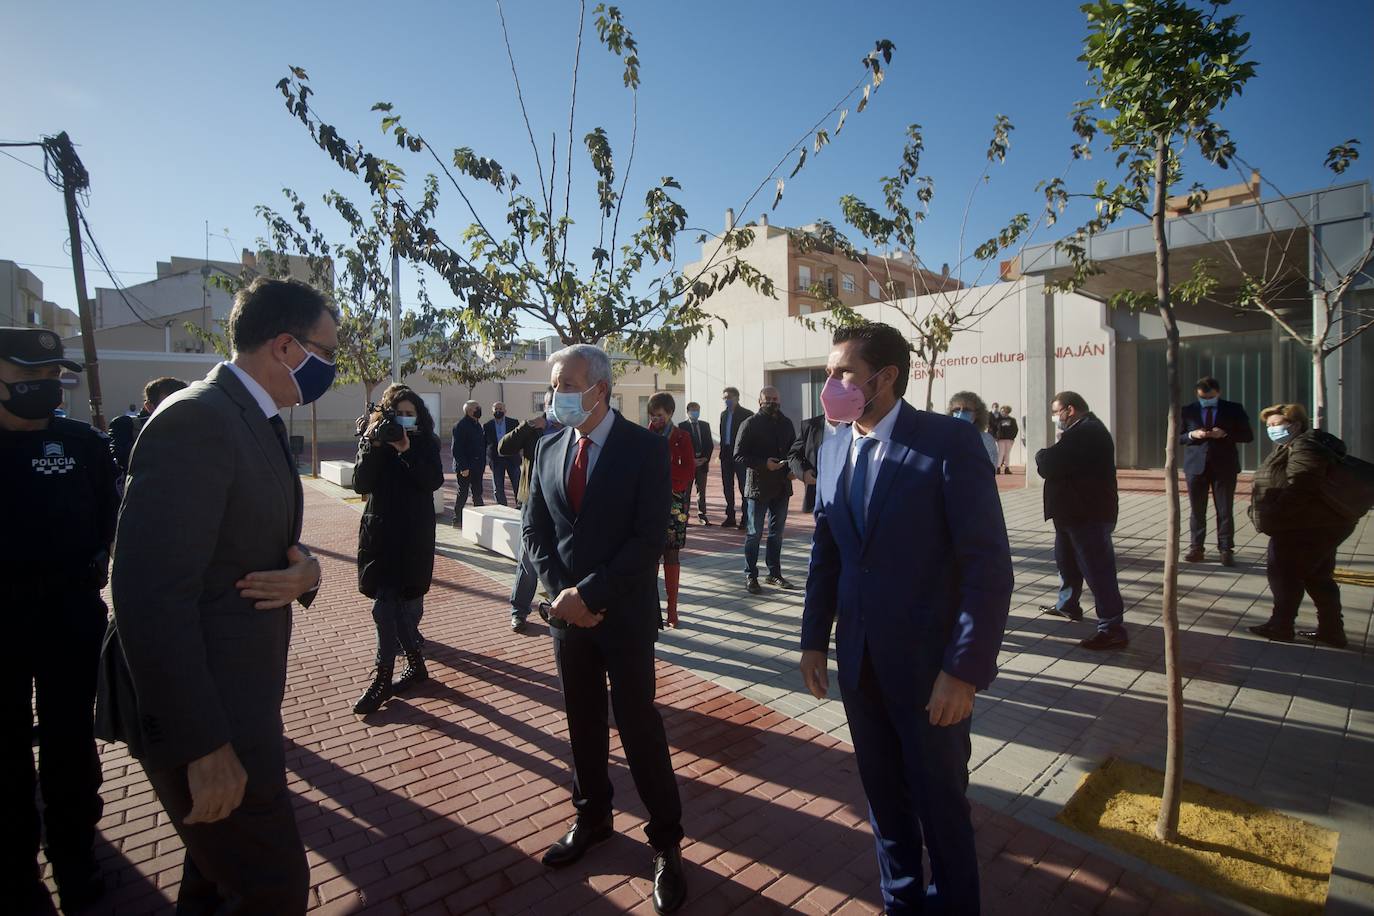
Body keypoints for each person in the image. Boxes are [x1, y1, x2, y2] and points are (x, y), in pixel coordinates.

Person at [99, 277, 335, 915]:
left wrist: (306, 574)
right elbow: (147, 595)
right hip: (209, 720)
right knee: (274, 888)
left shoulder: (253, 419)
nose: (332, 370)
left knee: (214, 881)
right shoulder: (199, 420)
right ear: (286, 347)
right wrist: (203, 748)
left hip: (243, 701)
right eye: (326, 352)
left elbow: (264, 546)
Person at [800, 321, 1013, 914]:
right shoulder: (835, 440)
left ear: (885, 376)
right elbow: (829, 548)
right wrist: (814, 639)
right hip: (860, 665)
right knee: (885, 807)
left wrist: (964, 671)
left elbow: (987, 566)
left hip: (931, 677)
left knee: (941, 812)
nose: (830, 384)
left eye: (842, 372)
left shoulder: (948, 442)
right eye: (829, 372)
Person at [523, 344, 686, 914]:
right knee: (581, 723)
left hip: (624, 616)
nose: (555, 395)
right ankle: (592, 818)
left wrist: (589, 595)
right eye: (552, 385)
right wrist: (562, 598)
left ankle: (666, 841)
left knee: (639, 726)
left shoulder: (645, 449)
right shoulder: (547, 447)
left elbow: (648, 540)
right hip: (569, 622)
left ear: (600, 389)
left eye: (566, 384)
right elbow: (535, 533)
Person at [1, 328, 119, 913]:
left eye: (51, 376)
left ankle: (75, 855)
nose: (45, 386)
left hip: (70, 614)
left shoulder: (83, 446)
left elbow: (107, 518)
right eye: (30, 375)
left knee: (71, 744)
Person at [351, 385, 445, 714]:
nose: (403, 420)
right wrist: (373, 443)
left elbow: (432, 481)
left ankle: (382, 679)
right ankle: (414, 665)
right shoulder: (375, 441)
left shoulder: (425, 443)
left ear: (419, 416)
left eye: (410, 414)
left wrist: (405, 448)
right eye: (398, 414)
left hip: (413, 537)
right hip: (381, 535)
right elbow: (360, 484)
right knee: (390, 607)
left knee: (392, 608)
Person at [1247, 403, 1356, 647]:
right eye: (1268, 425)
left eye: (1277, 424)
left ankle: (1281, 625)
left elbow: (1302, 486)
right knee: (1317, 576)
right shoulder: (1291, 445)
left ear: (1295, 424)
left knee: (1285, 575)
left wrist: (1276, 514)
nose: (1272, 429)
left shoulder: (1305, 446)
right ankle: (1332, 630)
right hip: (1319, 523)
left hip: (1304, 526)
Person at [1036, 391, 1128, 650]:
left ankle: (1112, 627)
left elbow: (1049, 464)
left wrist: (1042, 454)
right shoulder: (1080, 431)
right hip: (1072, 513)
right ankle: (1068, 604)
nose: (1056, 417)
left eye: (1056, 412)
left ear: (1070, 410)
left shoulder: (1086, 432)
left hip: (1087, 514)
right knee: (1067, 563)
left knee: (1097, 570)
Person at [499, 387, 562, 632]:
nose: (552, 408)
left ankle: (556, 608)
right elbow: (503, 448)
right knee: (528, 561)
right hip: (532, 504)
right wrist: (527, 425)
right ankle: (519, 611)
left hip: (561, 506)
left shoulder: (573, 431)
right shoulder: (534, 430)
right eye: (549, 403)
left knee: (558, 559)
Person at [1181, 376, 1253, 567]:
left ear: (1218, 393)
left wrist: (1225, 434)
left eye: (1210, 397)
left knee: (1225, 509)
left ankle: (1225, 549)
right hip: (1196, 466)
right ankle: (1196, 548)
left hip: (1224, 466)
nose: (1206, 401)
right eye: (1202, 397)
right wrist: (1192, 434)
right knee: (1197, 510)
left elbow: (1248, 435)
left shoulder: (1233, 409)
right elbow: (1177, 436)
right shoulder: (1188, 410)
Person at [734, 386, 797, 595]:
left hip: (781, 487)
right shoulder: (749, 424)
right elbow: (739, 455)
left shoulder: (787, 424)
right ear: (760, 401)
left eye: (775, 398)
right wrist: (764, 464)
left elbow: (795, 452)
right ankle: (750, 575)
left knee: (776, 534)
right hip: (758, 487)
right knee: (754, 533)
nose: (772, 402)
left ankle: (774, 573)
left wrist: (793, 469)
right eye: (768, 399)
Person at [649, 392, 697, 628]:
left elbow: (688, 471)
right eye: (652, 415)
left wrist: (663, 476)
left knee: (671, 553)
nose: (655, 419)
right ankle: (651, 609)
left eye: (659, 415)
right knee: (649, 555)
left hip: (674, 503)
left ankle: (673, 610)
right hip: (648, 502)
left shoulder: (682, 437)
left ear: (669, 413)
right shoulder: (644, 436)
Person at [109, 376, 188, 479]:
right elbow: (123, 458)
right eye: (170, 403)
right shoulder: (126, 425)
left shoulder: (190, 428)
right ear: (149, 406)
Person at [718, 387, 753, 528]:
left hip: (740, 455)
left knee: (744, 487)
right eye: (725, 398)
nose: (727, 400)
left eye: (730, 397)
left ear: (737, 398)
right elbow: (722, 435)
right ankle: (730, 516)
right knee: (727, 486)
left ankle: (745, 518)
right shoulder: (724, 414)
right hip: (726, 454)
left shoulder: (747, 414)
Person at [788, 413, 834, 514]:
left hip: (846, 494)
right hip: (817, 492)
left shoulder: (855, 424)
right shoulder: (810, 426)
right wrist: (803, 473)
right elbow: (793, 455)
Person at [450, 399, 486, 526]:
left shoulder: (477, 425)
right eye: (477, 408)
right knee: (463, 493)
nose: (479, 409)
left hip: (477, 466)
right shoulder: (460, 426)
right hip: (465, 467)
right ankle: (457, 518)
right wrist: (463, 467)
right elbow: (456, 449)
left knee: (477, 493)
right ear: (470, 411)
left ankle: (480, 518)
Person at [678, 401, 714, 525]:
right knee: (685, 491)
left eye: (697, 410)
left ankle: (702, 514)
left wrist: (705, 458)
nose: (695, 412)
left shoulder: (705, 425)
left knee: (701, 491)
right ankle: (684, 515)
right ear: (688, 412)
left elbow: (709, 444)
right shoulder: (681, 426)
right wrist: (691, 460)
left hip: (702, 463)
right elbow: (680, 446)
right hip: (688, 464)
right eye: (693, 410)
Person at [948, 390, 999, 469]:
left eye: (966, 410)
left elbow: (990, 469)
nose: (961, 413)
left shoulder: (986, 439)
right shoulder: (945, 437)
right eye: (956, 410)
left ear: (977, 414)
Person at [484, 400, 521, 507]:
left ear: (505, 410)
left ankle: (520, 506)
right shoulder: (487, 425)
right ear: (492, 411)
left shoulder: (514, 423)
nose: (498, 411)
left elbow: (519, 440)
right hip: (496, 460)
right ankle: (502, 507)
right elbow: (485, 443)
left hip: (512, 458)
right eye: (496, 409)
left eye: (500, 409)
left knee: (517, 484)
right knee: (498, 486)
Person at [992, 404, 1019, 475]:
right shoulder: (998, 420)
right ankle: (998, 468)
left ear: (1008, 412)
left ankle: (1007, 468)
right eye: (1002, 411)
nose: (1002, 412)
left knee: (1007, 454)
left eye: (1004, 411)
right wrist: (996, 436)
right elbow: (995, 428)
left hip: (1009, 439)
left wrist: (1012, 437)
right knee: (1001, 453)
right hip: (1001, 439)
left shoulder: (1012, 420)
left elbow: (1015, 429)